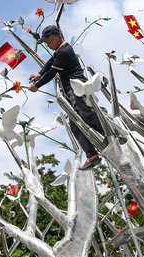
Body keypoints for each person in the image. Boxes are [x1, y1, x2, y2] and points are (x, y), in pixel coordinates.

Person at [28, 25, 103, 170]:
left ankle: (111, 134)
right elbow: (50, 63)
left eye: (48, 42)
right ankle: (91, 154)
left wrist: (38, 85)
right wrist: (39, 73)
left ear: (56, 38)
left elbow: (52, 72)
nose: (48, 45)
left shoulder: (66, 51)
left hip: (76, 87)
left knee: (85, 114)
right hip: (69, 90)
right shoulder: (59, 51)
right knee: (74, 125)